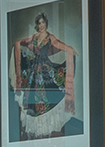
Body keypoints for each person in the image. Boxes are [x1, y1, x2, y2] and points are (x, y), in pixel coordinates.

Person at [12, 11, 78, 139]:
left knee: (46, 97)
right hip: (34, 72)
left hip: (46, 70)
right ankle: (37, 131)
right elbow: (21, 42)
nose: (41, 25)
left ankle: (46, 130)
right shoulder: (34, 38)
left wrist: (70, 50)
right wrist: (17, 45)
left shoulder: (50, 37)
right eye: (39, 23)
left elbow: (60, 45)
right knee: (32, 101)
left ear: (46, 23)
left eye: (43, 23)